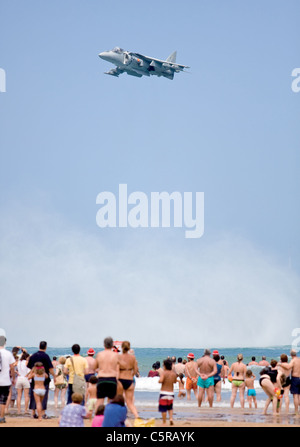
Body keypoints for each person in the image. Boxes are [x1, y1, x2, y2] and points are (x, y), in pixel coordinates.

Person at [27, 341, 54, 419]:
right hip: (44, 380)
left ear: (39, 346)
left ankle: (33, 413)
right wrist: (54, 376)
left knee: (33, 396)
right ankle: (43, 413)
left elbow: (29, 366)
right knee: (43, 397)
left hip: (34, 379)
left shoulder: (33, 356)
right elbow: (50, 368)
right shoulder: (46, 356)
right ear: (45, 347)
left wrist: (33, 373)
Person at [95, 336, 119, 409]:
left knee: (99, 400)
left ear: (104, 345)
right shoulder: (115, 355)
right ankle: (109, 416)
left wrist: (101, 369)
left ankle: (97, 417)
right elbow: (118, 370)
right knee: (111, 401)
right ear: (112, 345)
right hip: (112, 378)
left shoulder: (99, 354)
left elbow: (95, 367)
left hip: (102, 378)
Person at [118, 340, 139, 419]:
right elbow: (135, 370)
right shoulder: (133, 358)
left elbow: (117, 370)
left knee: (119, 400)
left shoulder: (119, 357)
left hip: (121, 379)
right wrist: (131, 375)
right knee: (130, 402)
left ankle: (120, 416)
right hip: (129, 380)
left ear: (122, 347)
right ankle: (137, 416)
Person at [0, 334, 16, 424]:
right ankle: (1, 417)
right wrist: (13, 378)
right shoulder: (8, 353)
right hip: (5, 380)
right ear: (5, 343)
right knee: (3, 400)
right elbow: (12, 368)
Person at [279, 350, 300, 414]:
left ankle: (296, 411)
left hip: (295, 378)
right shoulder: (299, 359)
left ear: (291, 355)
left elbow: (288, 367)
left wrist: (280, 364)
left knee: (295, 396)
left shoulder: (293, 360)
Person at [158, 359, 177, 426]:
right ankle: (171, 418)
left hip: (164, 393)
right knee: (170, 407)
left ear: (165, 366)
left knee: (163, 408)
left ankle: (164, 422)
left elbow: (161, 380)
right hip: (171, 393)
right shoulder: (173, 373)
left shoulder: (164, 373)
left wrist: (159, 380)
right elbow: (175, 381)